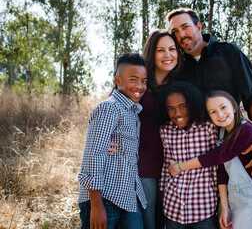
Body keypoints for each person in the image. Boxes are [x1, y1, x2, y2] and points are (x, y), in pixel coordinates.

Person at [166, 8, 252, 176]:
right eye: (175, 31)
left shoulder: (229, 53)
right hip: (196, 154)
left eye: (185, 27)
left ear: (198, 26)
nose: (181, 34)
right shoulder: (179, 70)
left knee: (238, 199)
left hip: (231, 142)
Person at [108, 29, 183, 229]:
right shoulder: (139, 80)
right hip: (144, 166)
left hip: (174, 165)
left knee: (167, 220)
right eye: (161, 50)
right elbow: (113, 106)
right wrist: (107, 139)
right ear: (152, 52)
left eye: (172, 49)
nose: (168, 55)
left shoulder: (179, 84)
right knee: (149, 223)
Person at [169, 90, 252, 229]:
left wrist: (180, 167)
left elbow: (216, 157)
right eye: (213, 112)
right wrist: (225, 207)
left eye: (223, 107)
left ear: (234, 106)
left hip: (249, 198)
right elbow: (222, 170)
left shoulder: (246, 130)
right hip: (229, 195)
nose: (220, 114)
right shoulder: (221, 132)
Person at [78, 53, 148, 229]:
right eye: (133, 80)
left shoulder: (132, 111)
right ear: (118, 80)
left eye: (144, 81)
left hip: (127, 196)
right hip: (104, 197)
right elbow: (93, 156)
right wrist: (96, 205)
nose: (140, 86)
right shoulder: (109, 108)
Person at [156, 81, 219, 229]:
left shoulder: (207, 127)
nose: (177, 113)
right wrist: (163, 193)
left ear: (193, 104)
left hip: (203, 207)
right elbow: (167, 165)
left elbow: (215, 166)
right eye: (171, 109)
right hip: (173, 208)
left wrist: (218, 196)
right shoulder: (165, 130)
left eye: (183, 106)